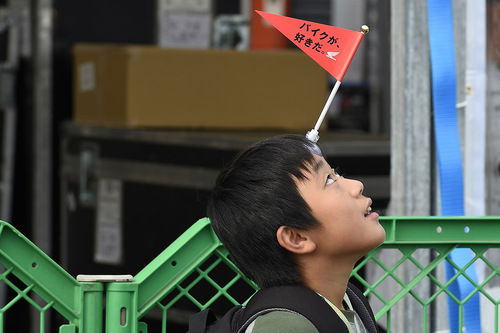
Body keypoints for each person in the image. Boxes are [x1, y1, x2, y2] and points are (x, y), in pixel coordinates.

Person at [207, 134, 386, 333]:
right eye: (328, 180)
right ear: (296, 237)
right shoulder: (285, 327)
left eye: (336, 173)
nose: (356, 185)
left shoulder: (347, 300)